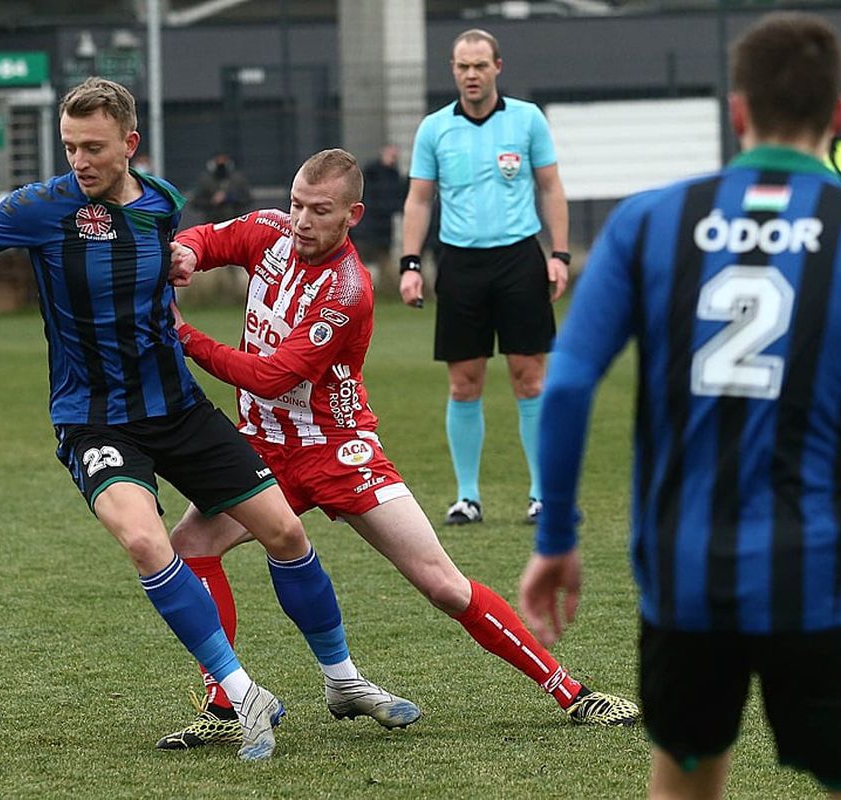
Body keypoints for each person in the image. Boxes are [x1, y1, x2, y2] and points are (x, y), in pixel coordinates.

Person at [0, 78, 407, 763]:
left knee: (285, 531)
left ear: (130, 143)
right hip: (94, 419)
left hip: (176, 406)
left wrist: (182, 259)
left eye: (93, 147)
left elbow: (173, 260)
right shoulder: (44, 206)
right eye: (69, 147)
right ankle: (244, 695)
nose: (79, 161)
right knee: (148, 543)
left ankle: (344, 679)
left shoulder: (161, 204)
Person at [519, 13, 841, 798]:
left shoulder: (650, 221)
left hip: (684, 577)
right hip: (825, 578)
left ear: (737, 112)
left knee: (686, 784)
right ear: (838, 116)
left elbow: (564, 384)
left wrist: (556, 532)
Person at [156, 147, 638, 751]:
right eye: (297, 205)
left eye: (320, 210)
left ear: (352, 215)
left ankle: (570, 691)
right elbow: (210, 238)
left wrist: (182, 335)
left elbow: (272, 375)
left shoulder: (347, 290)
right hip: (261, 450)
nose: (303, 220)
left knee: (443, 585)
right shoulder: (268, 230)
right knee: (190, 545)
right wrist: (186, 254)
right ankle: (226, 704)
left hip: (337, 450)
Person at [399, 28, 571, 527]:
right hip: (460, 263)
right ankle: (467, 497)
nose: (471, 75)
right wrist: (411, 265)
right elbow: (420, 199)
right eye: (462, 66)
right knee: (463, 384)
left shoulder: (527, 119)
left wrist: (558, 254)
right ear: (453, 70)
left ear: (498, 66)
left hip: (519, 259)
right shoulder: (434, 129)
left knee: (530, 377)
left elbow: (552, 188)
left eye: (479, 65)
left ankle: (542, 495)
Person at [354, 143, 407, 283]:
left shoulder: (392, 176)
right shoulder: (372, 174)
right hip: (368, 228)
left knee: (380, 262)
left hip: (381, 229)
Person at [190, 152, 252, 224]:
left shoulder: (238, 179)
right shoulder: (205, 180)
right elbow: (195, 202)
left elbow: (247, 199)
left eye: (224, 161)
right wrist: (212, 201)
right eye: (218, 161)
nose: (221, 164)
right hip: (213, 223)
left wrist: (230, 198)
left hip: (234, 222)